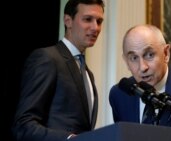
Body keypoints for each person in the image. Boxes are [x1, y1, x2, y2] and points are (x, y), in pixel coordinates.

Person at [12, 0, 104, 141]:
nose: (95, 27)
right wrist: (68, 138)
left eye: (99, 21)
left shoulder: (88, 74)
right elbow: (24, 125)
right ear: (68, 20)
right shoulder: (47, 58)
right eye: (88, 19)